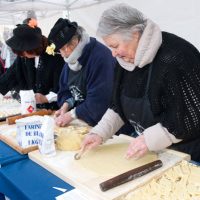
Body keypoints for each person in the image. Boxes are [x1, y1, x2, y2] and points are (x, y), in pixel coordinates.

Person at [81, 4, 200, 162]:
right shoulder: (124, 61)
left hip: (189, 154)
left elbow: (192, 115)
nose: (113, 53)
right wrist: (99, 133)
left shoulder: (175, 56)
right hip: (154, 152)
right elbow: (118, 106)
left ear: (135, 34)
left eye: (115, 46)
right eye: (110, 47)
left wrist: (148, 139)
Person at [47, 18, 115, 126]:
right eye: (60, 51)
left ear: (75, 41)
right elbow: (65, 90)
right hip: (84, 123)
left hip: (108, 127)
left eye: (64, 49)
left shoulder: (100, 58)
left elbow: (99, 101)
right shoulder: (71, 59)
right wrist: (66, 105)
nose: (63, 55)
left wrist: (71, 115)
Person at [0, 18, 64, 110]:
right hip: (34, 108)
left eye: (23, 52)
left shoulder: (55, 56)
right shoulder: (23, 58)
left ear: (32, 48)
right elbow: (10, 76)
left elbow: (63, 87)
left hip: (56, 109)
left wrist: (46, 98)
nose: (21, 56)